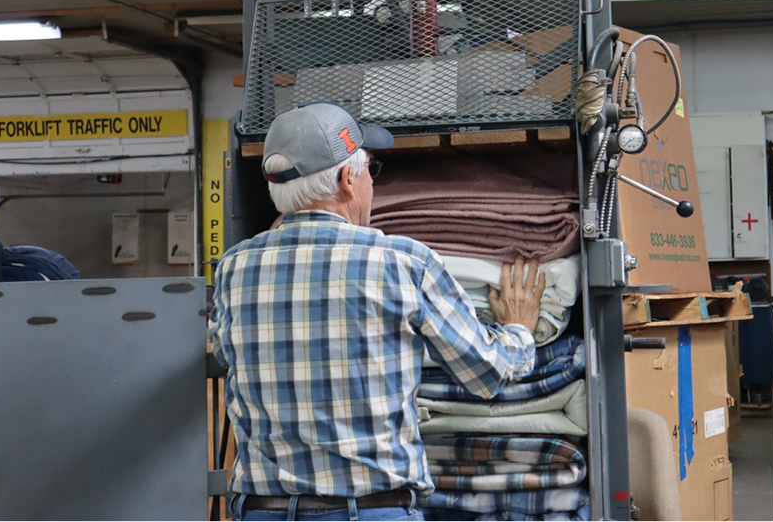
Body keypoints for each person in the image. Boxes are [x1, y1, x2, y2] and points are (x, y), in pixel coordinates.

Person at [210, 103, 542, 521]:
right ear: (349, 180)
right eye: (370, 171)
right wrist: (518, 328)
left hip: (261, 512)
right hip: (368, 511)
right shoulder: (402, 262)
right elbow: (487, 372)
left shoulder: (234, 268)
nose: (370, 183)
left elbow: (225, 358)